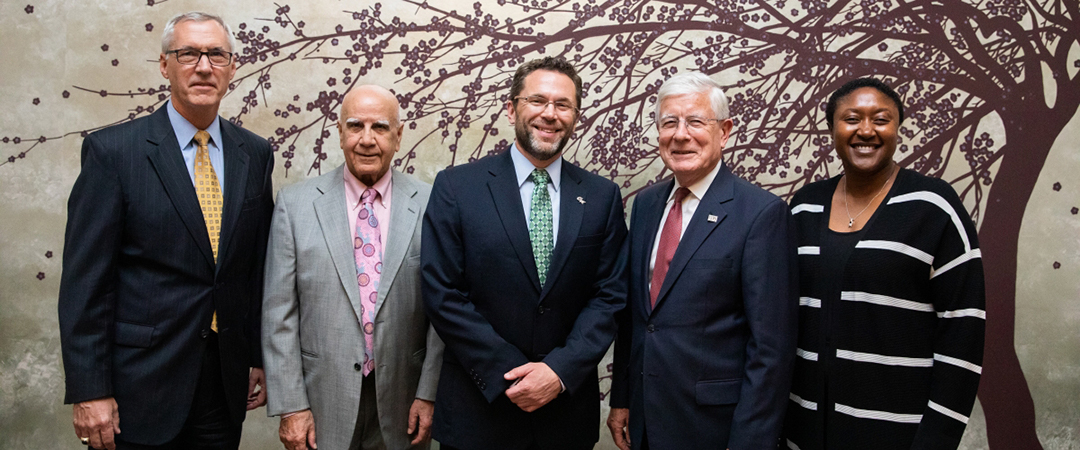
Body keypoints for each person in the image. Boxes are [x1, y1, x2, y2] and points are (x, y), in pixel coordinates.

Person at [58, 11, 273, 450]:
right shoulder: (113, 153)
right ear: (164, 65)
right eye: (189, 53)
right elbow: (86, 285)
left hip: (223, 383)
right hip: (138, 385)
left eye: (216, 54)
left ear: (232, 67)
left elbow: (254, 267)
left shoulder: (254, 153)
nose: (203, 66)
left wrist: (256, 356)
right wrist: (89, 389)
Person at [421, 56, 629, 450]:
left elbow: (611, 295)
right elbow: (442, 293)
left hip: (564, 417)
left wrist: (558, 372)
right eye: (537, 101)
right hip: (478, 414)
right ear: (512, 107)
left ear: (575, 115)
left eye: (563, 105)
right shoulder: (456, 187)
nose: (550, 114)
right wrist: (508, 373)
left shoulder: (602, 197)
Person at [783, 77, 985, 449]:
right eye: (851, 118)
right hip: (803, 431)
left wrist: (937, 437)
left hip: (898, 433)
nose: (865, 130)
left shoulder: (933, 206)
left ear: (897, 129)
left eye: (881, 119)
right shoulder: (803, 207)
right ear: (832, 129)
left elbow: (964, 330)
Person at [607, 71, 799, 450]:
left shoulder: (761, 214)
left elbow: (771, 348)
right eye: (669, 123)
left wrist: (750, 441)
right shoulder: (645, 205)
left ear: (724, 131)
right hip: (646, 420)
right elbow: (637, 318)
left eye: (695, 121)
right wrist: (622, 399)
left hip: (715, 427)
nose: (680, 135)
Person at [262, 85, 443, 450]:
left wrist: (429, 393)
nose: (366, 139)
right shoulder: (295, 205)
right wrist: (291, 405)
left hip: (403, 400)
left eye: (379, 127)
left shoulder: (433, 203)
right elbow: (278, 312)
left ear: (398, 135)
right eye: (355, 126)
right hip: (320, 399)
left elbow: (443, 311)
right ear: (340, 132)